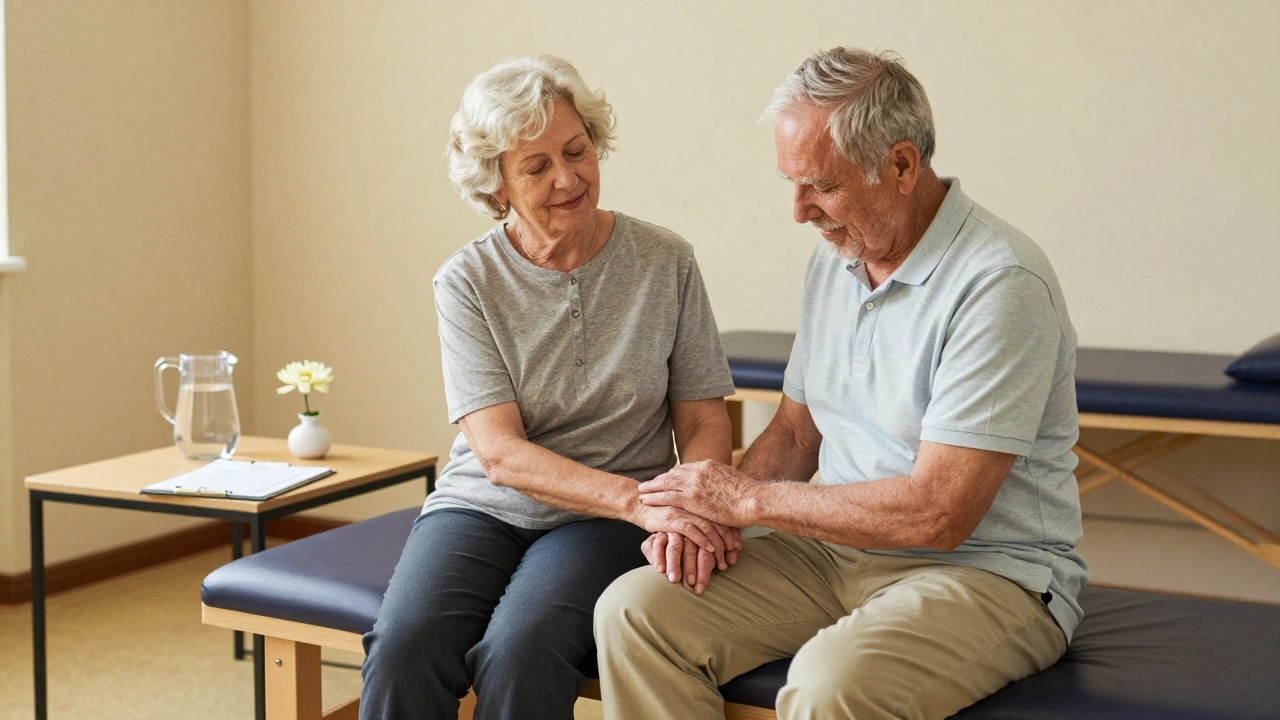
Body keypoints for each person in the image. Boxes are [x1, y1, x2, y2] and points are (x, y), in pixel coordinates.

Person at [595, 47, 1088, 720]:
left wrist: (745, 497)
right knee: (633, 612)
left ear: (902, 165)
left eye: (820, 186)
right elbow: (799, 433)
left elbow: (938, 513)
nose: (800, 211)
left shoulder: (1000, 283)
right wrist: (702, 519)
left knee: (829, 685)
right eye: (791, 184)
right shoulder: (838, 259)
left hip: (986, 574)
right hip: (831, 555)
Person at [359, 55, 742, 720]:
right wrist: (642, 504)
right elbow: (500, 455)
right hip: (486, 505)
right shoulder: (467, 281)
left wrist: (687, 507)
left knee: (523, 648)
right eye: (536, 167)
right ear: (497, 184)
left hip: (608, 516)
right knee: (404, 646)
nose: (569, 178)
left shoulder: (665, 261)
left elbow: (706, 421)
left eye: (577, 150)